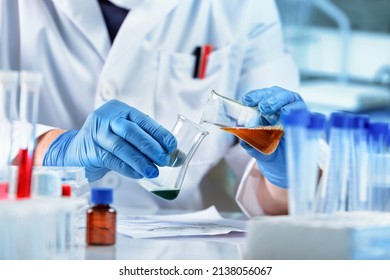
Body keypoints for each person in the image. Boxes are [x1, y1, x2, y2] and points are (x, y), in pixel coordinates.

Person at [0, 0, 305, 214]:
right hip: (32, 234)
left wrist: (290, 175)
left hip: (175, 256)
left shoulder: (244, 7)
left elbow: (277, 203)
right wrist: (54, 150)